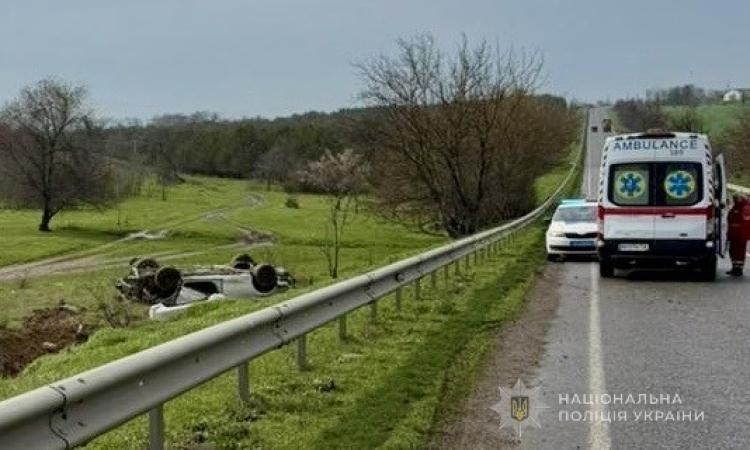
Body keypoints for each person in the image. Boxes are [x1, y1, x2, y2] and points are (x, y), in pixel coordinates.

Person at [726, 194, 750, 276]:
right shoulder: (735, 208)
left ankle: (739, 269)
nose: (734, 200)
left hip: (740, 234)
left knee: (739, 252)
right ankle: (734, 267)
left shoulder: (744, 208)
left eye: (735, 198)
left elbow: (745, 221)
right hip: (734, 234)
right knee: (732, 251)